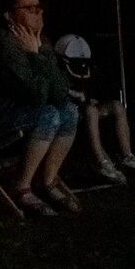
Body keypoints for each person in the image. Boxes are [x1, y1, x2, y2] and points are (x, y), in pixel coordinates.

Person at [0, 0, 80, 216]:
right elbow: (37, 95)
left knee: (69, 111)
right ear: (9, 16)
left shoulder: (41, 42)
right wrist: (36, 56)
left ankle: (46, 181)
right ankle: (21, 187)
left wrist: (38, 51)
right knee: (49, 115)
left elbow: (59, 92)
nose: (39, 13)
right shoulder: (5, 46)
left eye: (39, 7)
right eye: (30, 8)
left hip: (22, 112)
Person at [55, 33, 135, 184]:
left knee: (117, 106)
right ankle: (101, 161)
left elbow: (99, 87)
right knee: (91, 112)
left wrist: (92, 96)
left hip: (87, 106)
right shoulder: (58, 69)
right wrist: (76, 95)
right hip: (71, 110)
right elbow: (59, 91)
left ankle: (127, 155)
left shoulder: (87, 68)